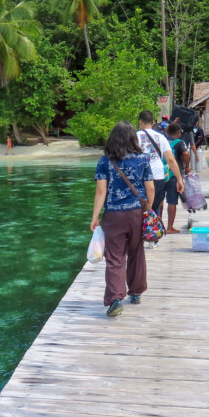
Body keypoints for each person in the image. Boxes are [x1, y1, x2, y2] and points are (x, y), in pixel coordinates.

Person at [90, 121, 154, 318]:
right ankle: (136, 292)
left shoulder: (104, 161)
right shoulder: (143, 159)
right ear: (133, 139)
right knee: (136, 252)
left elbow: (101, 191)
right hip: (136, 213)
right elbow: (150, 188)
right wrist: (148, 209)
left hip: (113, 215)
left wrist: (95, 216)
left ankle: (116, 299)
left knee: (115, 258)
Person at [137, 110, 184, 219]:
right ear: (153, 122)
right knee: (155, 208)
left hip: (140, 178)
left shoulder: (134, 137)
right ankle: (154, 228)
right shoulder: (161, 137)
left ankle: (139, 229)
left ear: (140, 122)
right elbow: (171, 159)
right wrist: (179, 179)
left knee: (139, 210)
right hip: (158, 176)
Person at [163, 122, 191, 233]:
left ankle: (159, 226)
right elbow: (186, 154)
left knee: (159, 201)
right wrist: (187, 166)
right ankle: (169, 227)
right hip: (174, 174)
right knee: (172, 201)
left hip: (161, 174)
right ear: (179, 133)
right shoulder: (180, 142)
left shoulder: (163, 141)